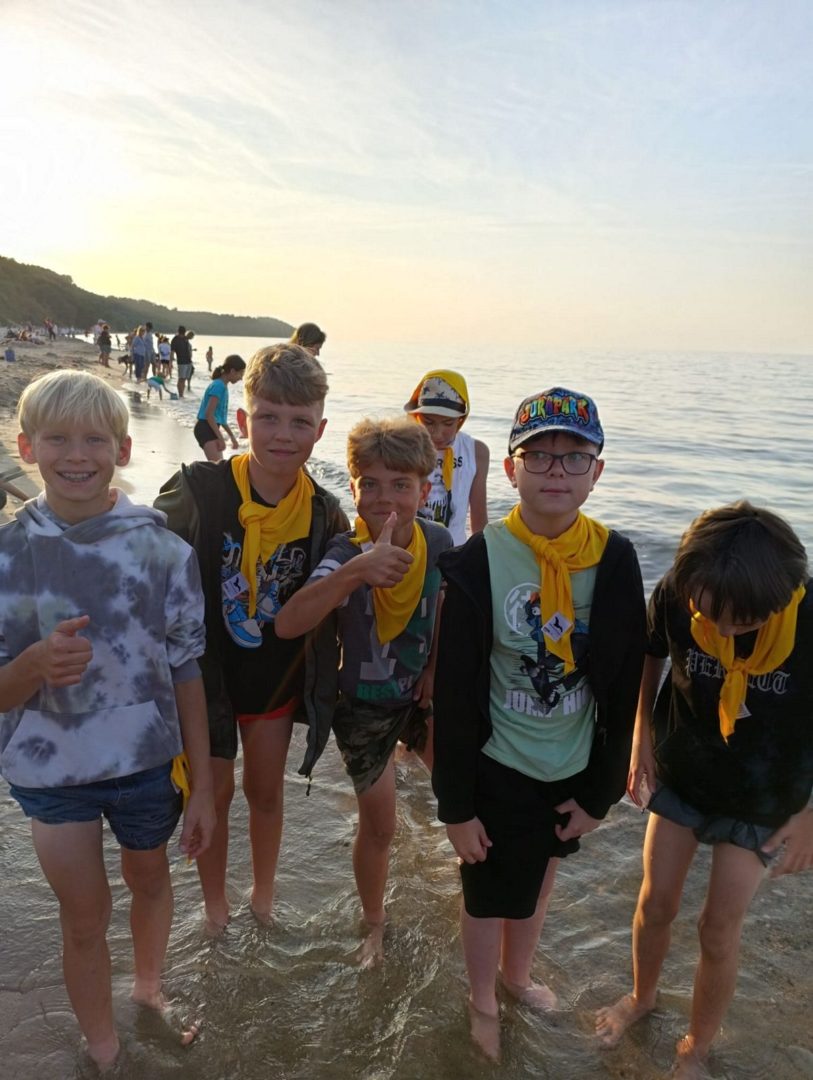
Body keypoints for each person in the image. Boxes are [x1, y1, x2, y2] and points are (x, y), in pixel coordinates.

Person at [0, 370, 215, 1069]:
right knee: (84, 916)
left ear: (122, 450)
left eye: (95, 439)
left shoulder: (164, 551)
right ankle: (103, 1046)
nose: (76, 455)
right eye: (57, 439)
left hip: (146, 764)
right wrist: (33, 665)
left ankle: (149, 990)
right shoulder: (7, 555)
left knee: (150, 879)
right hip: (51, 772)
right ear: (27, 446)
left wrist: (205, 788)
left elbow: (187, 669)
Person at [432, 387, 646, 1059]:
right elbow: (454, 693)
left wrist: (600, 793)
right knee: (485, 889)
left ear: (596, 472)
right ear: (510, 470)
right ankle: (482, 999)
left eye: (575, 457)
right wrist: (456, 807)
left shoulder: (614, 559)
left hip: (570, 762)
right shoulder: (479, 560)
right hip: (497, 761)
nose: (557, 471)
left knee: (542, 872)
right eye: (539, 456)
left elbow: (623, 684)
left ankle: (516, 975)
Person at [595, 501, 813, 1079]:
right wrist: (641, 739)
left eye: (742, 623)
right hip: (685, 768)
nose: (722, 632)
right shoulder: (679, 588)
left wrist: (810, 811)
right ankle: (641, 998)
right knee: (655, 902)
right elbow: (650, 654)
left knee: (717, 929)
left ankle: (697, 1047)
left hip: (768, 792)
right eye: (710, 616)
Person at [155, 343, 348, 932]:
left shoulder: (326, 513)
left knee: (265, 792)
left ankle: (263, 897)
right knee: (212, 793)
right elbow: (141, 559)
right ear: (242, 419)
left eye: (300, 422)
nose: (283, 434)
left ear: (320, 430)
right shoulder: (198, 488)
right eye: (268, 417)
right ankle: (215, 907)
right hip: (204, 676)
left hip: (274, 678)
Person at [275, 417, 453, 965]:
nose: (385, 498)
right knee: (380, 826)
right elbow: (289, 622)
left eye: (401, 484)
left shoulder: (439, 541)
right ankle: (374, 923)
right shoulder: (344, 549)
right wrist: (357, 571)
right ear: (352, 488)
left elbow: (442, 605)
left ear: (425, 489)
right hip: (362, 707)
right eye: (370, 484)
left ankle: (465, 890)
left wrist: (433, 672)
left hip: (418, 696)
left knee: (465, 795)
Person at [404, 369, 490, 545]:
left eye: (448, 423)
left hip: (455, 551)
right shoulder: (403, 447)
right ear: (416, 416)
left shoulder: (476, 452)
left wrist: (481, 555)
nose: (437, 433)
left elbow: (479, 520)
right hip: (409, 548)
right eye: (428, 422)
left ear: (461, 419)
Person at [194, 355, 246, 462]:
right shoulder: (219, 386)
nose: (241, 378)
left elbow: (221, 418)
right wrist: (220, 438)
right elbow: (209, 414)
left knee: (218, 466)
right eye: (240, 373)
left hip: (210, 427)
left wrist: (232, 437)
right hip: (205, 428)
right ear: (232, 371)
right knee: (217, 467)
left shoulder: (222, 386)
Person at [171, 325, 193, 398]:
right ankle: (181, 395)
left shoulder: (185, 339)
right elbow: (172, 352)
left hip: (188, 361)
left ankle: (182, 394)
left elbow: (188, 349)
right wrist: (170, 362)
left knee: (184, 379)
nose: (182, 335)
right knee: (181, 378)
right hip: (181, 362)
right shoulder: (175, 339)